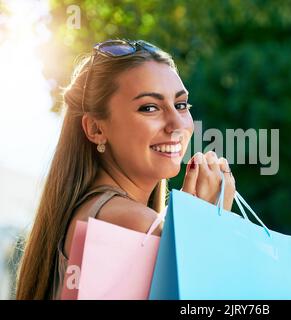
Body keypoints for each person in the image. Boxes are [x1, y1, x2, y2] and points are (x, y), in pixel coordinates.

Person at [15, 39, 235, 299]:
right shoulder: (133, 224)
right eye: (149, 108)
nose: (177, 124)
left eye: (181, 105)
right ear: (96, 129)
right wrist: (204, 224)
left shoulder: (95, 211)